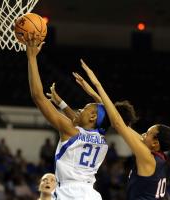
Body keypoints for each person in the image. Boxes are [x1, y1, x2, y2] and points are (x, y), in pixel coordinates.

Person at [24, 34, 137, 200]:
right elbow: (101, 117)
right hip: (91, 194)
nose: (79, 110)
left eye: (85, 108)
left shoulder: (71, 132)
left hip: (68, 194)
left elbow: (38, 96)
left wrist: (31, 58)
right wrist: (61, 103)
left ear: (92, 117)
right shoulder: (103, 137)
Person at [76, 58, 170, 200]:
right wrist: (94, 94)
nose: (143, 134)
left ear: (155, 143)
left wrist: (98, 85)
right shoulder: (156, 154)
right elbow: (118, 121)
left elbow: (119, 124)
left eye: (148, 133)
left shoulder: (147, 156)